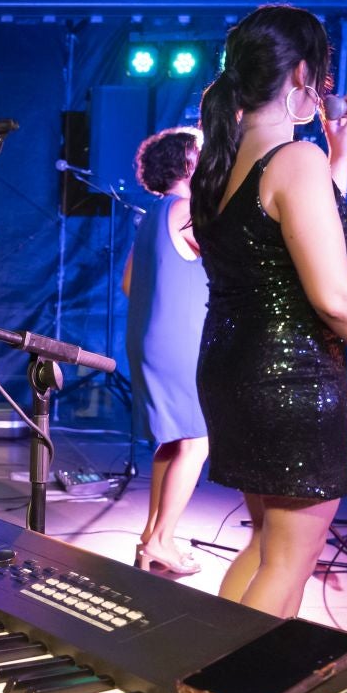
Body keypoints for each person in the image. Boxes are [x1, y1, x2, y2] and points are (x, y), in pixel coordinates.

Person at [191, 5, 347, 617]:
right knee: (288, 562)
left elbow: (292, 236)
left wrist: (339, 152)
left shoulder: (221, 165)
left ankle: (217, 669)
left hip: (234, 368)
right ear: (299, 75)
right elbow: (334, 296)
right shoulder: (294, 162)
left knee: (269, 544)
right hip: (289, 376)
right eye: (320, 79)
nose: (325, 90)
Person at [122, 126, 209, 575]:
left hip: (147, 338)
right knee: (196, 441)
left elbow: (128, 284)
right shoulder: (187, 209)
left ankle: (150, 539)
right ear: (189, 164)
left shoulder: (154, 214)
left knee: (172, 439)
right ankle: (162, 541)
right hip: (177, 340)